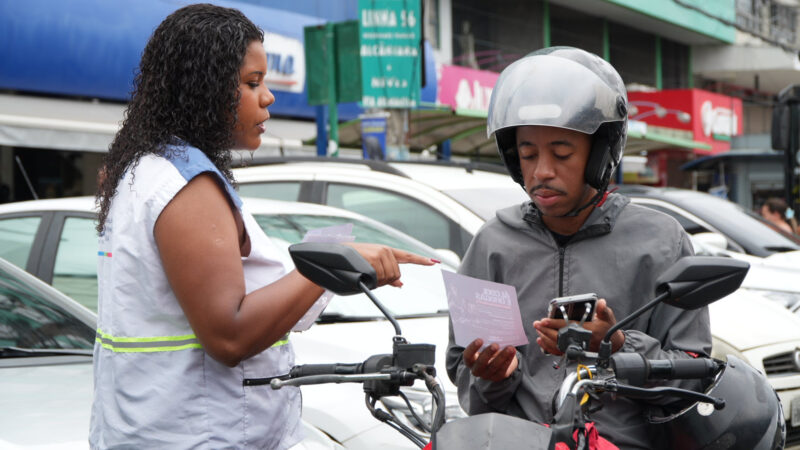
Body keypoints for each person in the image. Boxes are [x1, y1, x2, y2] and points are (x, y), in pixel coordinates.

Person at [90, 4, 435, 449]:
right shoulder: (186, 185)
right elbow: (229, 335)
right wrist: (326, 269)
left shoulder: (146, 169)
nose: (268, 97)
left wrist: (331, 263)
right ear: (204, 88)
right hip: (200, 435)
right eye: (252, 83)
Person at [445, 47, 711, 449]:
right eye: (527, 154)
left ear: (602, 152)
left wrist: (616, 346)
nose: (541, 171)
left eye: (562, 153)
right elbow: (465, 379)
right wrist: (492, 375)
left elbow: (694, 375)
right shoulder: (492, 243)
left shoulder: (661, 241)